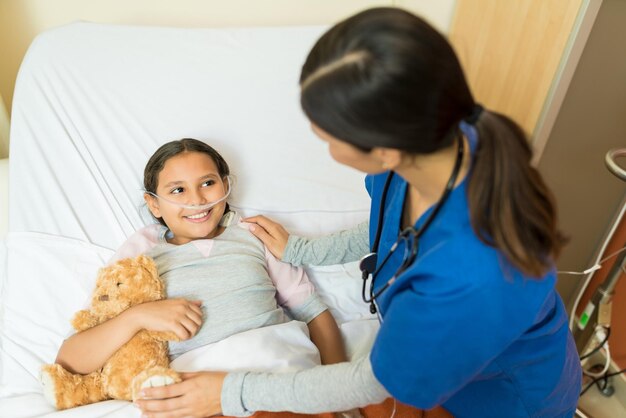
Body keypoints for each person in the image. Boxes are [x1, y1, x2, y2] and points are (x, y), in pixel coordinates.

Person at [135, 7, 582, 418]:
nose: (324, 147)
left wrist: (231, 392)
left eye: (328, 137)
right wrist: (302, 248)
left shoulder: (472, 271)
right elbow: (388, 229)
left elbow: (373, 381)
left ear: (385, 150)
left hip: (500, 402)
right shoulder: (426, 149)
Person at [54, 138, 350, 398]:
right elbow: (69, 358)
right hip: (199, 388)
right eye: (178, 190)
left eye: (208, 183)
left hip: (277, 370)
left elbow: (314, 313)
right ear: (154, 205)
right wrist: (138, 316)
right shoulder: (142, 253)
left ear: (226, 185)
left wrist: (337, 393)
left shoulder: (254, 234)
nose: (196, 200)